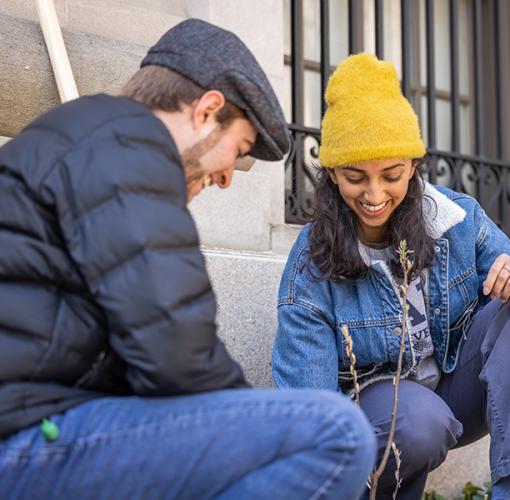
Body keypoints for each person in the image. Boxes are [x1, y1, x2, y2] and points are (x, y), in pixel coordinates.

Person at [0, 20, 374, 499]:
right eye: (236, 151)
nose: (225, 180)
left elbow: (139, 352)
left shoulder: (85, 137)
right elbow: (176, 351)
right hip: (24, 437)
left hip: (38, 420)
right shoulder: (127, 148)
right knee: (336, 432)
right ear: (207, 110)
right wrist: (248, 422)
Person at [272, 53, 510, 499]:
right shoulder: (311, 262)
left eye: (391, 175)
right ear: (332, 173)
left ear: (412, 165)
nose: (374, 195)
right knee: (418, 416)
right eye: (355, 177)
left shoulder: (455, 218)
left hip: (456, 390)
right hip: (381, 416)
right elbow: (312, 411)